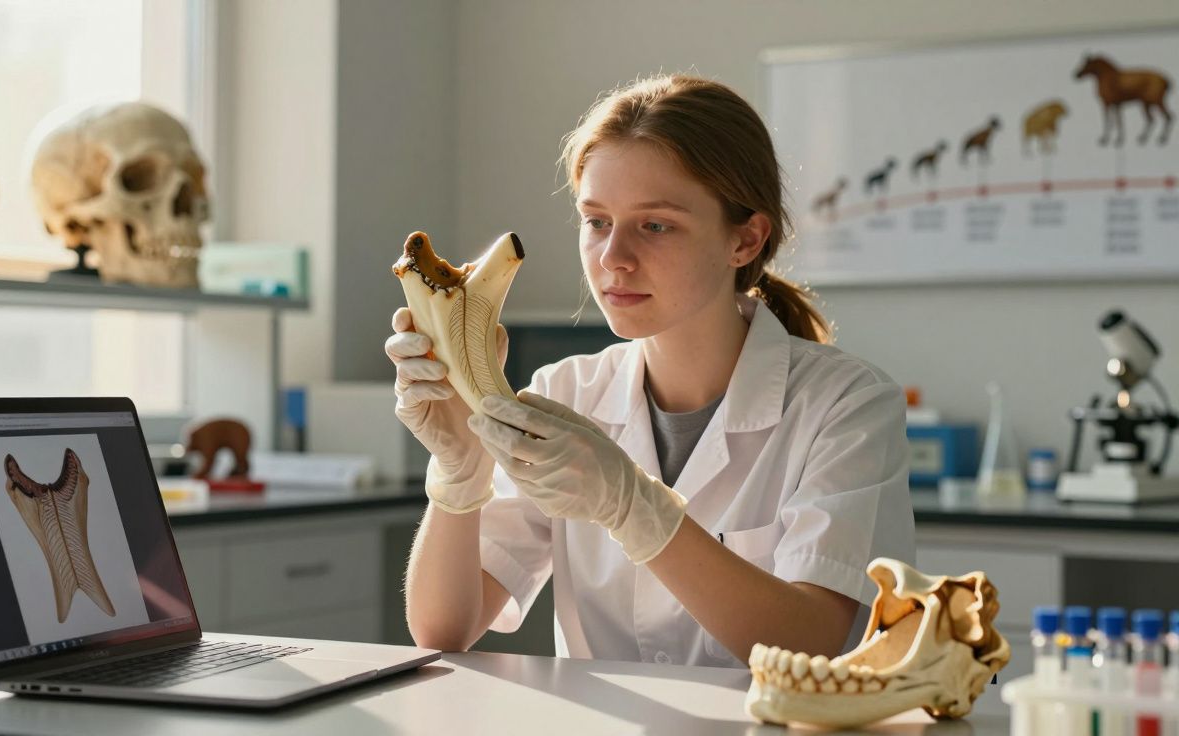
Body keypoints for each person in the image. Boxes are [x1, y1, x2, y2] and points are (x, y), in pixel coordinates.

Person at [386, 74, 914, 667]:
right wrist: (460, 472)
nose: (613, 258)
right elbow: (442, 630)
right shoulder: (567, 394)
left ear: (745, 240)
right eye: (597, 221)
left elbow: (809, 641)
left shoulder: (847, 406)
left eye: (655, 225)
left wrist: (633, 506)